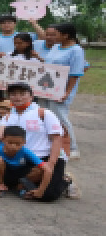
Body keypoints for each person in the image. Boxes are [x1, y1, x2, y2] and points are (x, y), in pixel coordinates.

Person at [0, 83, 76, 200]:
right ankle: (24, 184)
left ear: (31, 96)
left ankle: (66, 179)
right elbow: (0, 136)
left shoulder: (43, 113)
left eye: (22, 94)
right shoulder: (8, 116)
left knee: (48, 195)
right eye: (13, 94)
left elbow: (57, 139)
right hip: (22, 158)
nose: (18, 97)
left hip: (46, 157)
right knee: (0, 178)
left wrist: (51, 164)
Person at [40, 23, 86, 159]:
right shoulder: (55, 47)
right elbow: (49, 63)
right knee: (45, 115)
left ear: (66, 35)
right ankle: (51, 144)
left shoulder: (76, 50)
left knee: (60, 117)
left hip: (61, 90)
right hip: (46, 87)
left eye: (56, 34)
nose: (52, 37)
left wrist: (67, 92)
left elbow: (75, 74)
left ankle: (72, 148)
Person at [0, 126, 53, 199]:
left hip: (20, 176)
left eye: (18, 144)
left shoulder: (26, 151)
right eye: (10, 143)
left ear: (24, 142)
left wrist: (40, 191)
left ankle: (20, 187)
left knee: (41, 169)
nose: (13, 146)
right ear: (3, 140)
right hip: (3, 174)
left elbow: (48, 170)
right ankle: (0, 185)